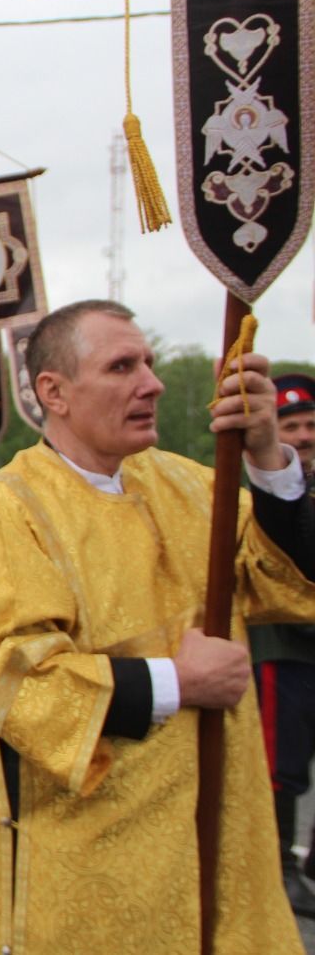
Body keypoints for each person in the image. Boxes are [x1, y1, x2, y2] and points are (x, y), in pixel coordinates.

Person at [0, 300, 315, 953]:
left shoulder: (196, 487)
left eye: (150, 362)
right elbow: (6, 680)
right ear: (54, 392)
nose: (152, 382)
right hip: (89, 879)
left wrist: (268, 458)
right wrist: (177, 682)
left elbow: (287, 581)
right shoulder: (1, 513)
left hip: (221, 856)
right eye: (122, 366)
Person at [249, 372, 315, 915]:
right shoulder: (261, 486)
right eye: (290, 425)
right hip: (283, 643)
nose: (304, 434)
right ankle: (279, 868)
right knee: (283, 764)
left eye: (311, 424)